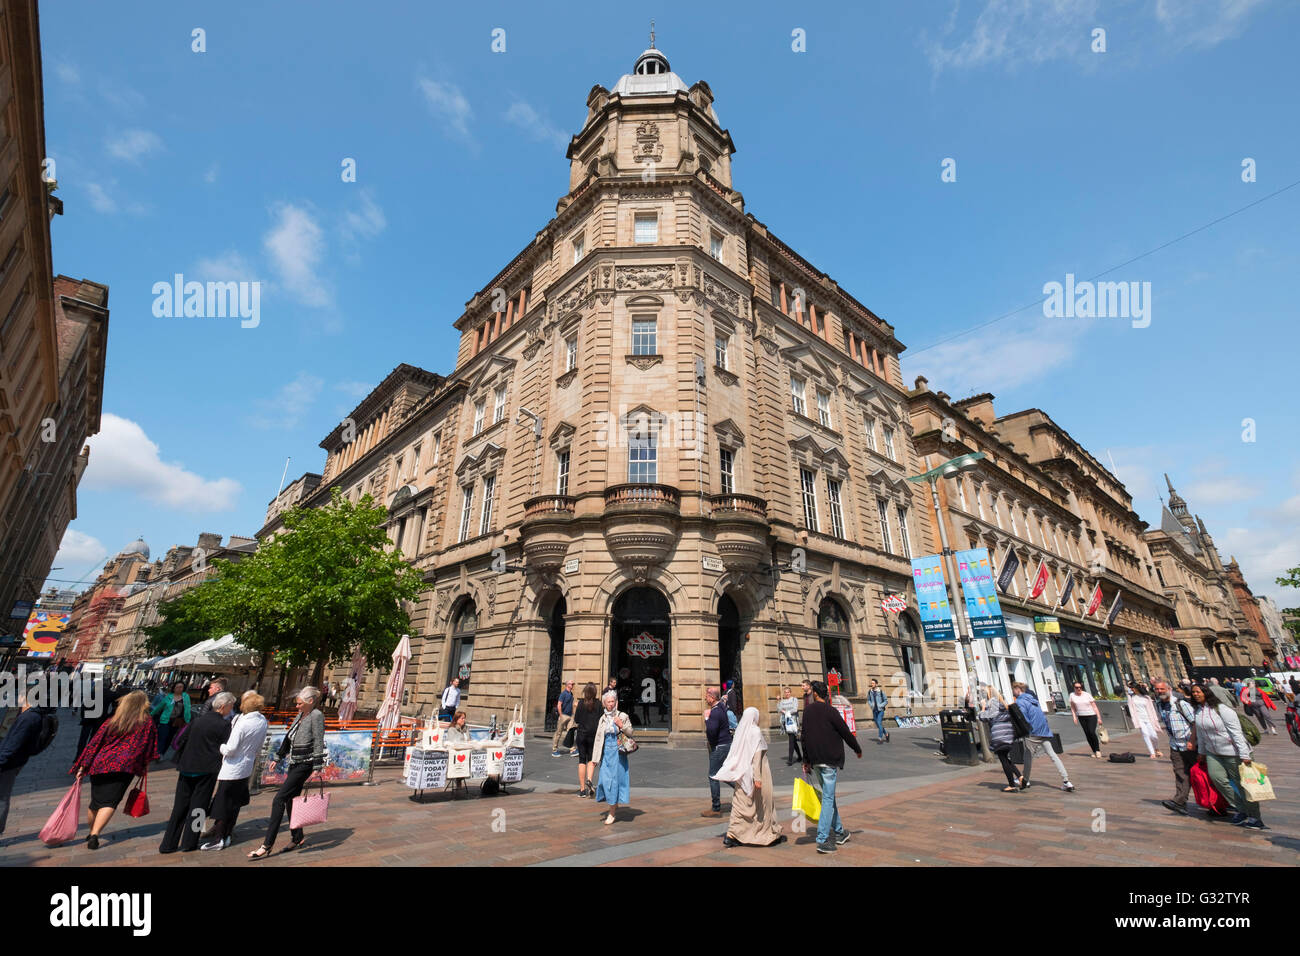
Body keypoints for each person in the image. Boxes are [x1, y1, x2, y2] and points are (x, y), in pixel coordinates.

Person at [70, 690, 159, 850]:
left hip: (101, 763)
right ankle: (95, 834)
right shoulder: (147, 722)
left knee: (95, 802)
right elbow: (150, 747)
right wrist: (145, 764)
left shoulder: (113, 720)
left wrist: (82, 765)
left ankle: (92, 831)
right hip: (125, 766)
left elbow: (94, 743)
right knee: (110, 801)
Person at [247, 686, 325, 858]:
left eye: (299, 703)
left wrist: (318, 767)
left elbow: (319, 741)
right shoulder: (301, 715)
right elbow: (289, 737)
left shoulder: (316, 716)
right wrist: (278, 757)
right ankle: (297, 837)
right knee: (291, 799)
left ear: (310, 701)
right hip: (294, 763)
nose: (296, 706)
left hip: (305, 764)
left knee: (279, 799)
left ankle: (267, 845)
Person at [160, 691, 233, 854]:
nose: (231, 709)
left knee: (179, 806)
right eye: (230, 706)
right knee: (199, 807)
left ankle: (168, 844)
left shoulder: (197, 721)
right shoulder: (224, 725)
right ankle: (189, 842)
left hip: (187, 766)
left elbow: (179, 740)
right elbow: (226, 747)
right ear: (223, 706)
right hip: (207, 769)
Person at [1188, 682, 1265, 830]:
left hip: (1233, 752)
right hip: (1213, 753)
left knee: (1245, 785)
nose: (1195, 694)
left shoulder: (1223, 710)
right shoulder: (1198, 711)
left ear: (1206, 693)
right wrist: (1202, 753)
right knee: (1217, 779)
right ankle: (1241, 809)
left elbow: (1236, 733)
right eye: (1193, 692)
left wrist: (1244, 754)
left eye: (1198, 692)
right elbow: (1203, 735)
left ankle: (1255, 817)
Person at [801, 681, 862, 853]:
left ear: (815, 694)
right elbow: (845, 731)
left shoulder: (807, 711)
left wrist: (806, 761)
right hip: (829, 760)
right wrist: (857, 749)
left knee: (828, 797)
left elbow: (803, 736)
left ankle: (840, 832)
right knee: (828, 798)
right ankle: (822, 839)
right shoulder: (831, 711)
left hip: (815, 760)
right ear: (825, 694)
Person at [203, 691, 268, 850]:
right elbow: (259, 745)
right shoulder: (262, 721)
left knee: (222, 803)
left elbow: (231, 748)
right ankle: (227, 835)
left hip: (233, 767)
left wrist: (220, 747)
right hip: (246, 765)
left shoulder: (243, 722)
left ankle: (218, 838)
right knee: (234, 804)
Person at [714, 707, 784, 847]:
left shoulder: (741, 732)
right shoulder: (755, 731)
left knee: (740, 805)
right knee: (763, 804)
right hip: (759, 772)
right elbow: (757, 757)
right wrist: (757, 778)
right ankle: (766, 834)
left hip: (742, 773)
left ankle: (732, 834)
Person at [0, 681, 45, 839]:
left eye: (20, 695)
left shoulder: (29, 718)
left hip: (8, 763)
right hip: (14, 761)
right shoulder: (29, 715)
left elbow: (13, 744)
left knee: (2, 797)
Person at [1011, 681, 1074, 792]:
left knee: (1028, 755)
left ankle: (1025, 780)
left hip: (1033, 732)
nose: (1012, 692)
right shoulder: (1033, 700)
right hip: (1043, 730)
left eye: (1013, 689)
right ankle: (1066, 781)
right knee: (1053, 755)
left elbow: (1023, 719)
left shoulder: (1020, 701)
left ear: (1017, 689)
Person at [1152, 680, 1197, 816]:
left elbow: (1195, 722)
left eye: (1162, 689)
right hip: (1175, 744)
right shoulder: (1160, 704)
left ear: (1169, 689)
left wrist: (1192, 740)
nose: (1159, 691)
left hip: (1190, 744)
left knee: (1201, 773)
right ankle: (1179, 802)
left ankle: (1221, 802)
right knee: (1180, 772)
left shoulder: (1180, 704)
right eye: (1157, 689)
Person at [591, 690, 632, 825]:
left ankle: (612, 812)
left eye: (612, 701)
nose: (610, 704)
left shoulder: (622, 715)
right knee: (603, 781)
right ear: (604, 703)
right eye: (608, 702)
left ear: (616, 702)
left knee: (614, 782)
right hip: (606, 754)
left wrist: (621, 725)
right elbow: (598, 739)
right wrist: (595, 758)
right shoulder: (602, 718)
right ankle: (613, 803)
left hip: (617, 753)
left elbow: (631, 732)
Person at [978, 686, 1021, 793]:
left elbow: (982, 717)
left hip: (999, 736)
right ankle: (1020, 777)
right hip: (1008, 734)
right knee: (1005, 758)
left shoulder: (992, 704)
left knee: (1004, 760)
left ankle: (1012, 785)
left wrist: (983, 707)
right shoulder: (1002, 704)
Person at [701, 685, 733, 818]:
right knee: (723, 773)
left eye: (707, 696)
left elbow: (712, 732)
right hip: (726, 744)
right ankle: (745, 790)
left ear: (712, 697)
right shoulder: (721, 708)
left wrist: (706, 718)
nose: (705, 698)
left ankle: (716, 808)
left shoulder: (714, 712)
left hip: (719, 746)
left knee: (713, 775)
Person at [150, 680, 191, 759]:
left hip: (177, 722)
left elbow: (188, 708)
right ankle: (158, 753)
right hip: (165, 720)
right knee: (162, 737)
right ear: (174, 688)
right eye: (177, 687)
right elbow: (159, 707)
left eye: (181, 687)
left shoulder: (186, 696)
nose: (179, 688)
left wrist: (187, 720)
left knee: (169, 738)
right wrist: (151, 714)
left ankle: (162, 753)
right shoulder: (168, 697)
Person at [573, 683, 602, 797]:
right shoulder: (599, 704)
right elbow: (601, 720)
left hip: (581, 735)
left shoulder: (581, 703)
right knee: (591, 759)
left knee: (581, 760)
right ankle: (589, 780)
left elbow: (577, 720)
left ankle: (582, 790)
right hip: (593, 736)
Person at [1126, 681, 1163, 758]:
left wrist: (1155, 718)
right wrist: (1134, 719)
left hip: (1149, 718)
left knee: (1154, 735)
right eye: (1130, 688)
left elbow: (1152, 709)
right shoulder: (1131, 697)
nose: (1131, 689)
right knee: (1145, 734)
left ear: (1137, 688)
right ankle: (1152, 752)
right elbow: (1131, 709)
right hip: (1139, 718)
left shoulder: (1146, 697)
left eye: (1132, 688)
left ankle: (1156, 749)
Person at [1068, 681, 1103, 759]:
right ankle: (1094, 751)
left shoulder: (1087, 695)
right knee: (1087, 734)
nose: (1079, 689)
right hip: (1081, 716)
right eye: (1077, 687)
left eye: (1080, 687)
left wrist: (1099, 718)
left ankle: (1097, 750)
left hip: (1091, 715)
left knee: (1091, 732)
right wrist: (1074, 717)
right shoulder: (1072, 695)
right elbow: (1073, 707)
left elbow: (1094, 707)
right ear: (1074, 688)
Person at [445, 711, 471, 796]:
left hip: (465, 752)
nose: (464, 720)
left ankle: (460, 779)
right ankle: (458, 780)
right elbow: (453, 742)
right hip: (455, 753)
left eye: (464, 718)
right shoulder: (452, 729)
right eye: (462, 718)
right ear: (456, 719)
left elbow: (469, 739)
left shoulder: (466, 728)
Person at [551, 679, 577, 757]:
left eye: (573, 684)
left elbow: (572, 704)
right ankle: (554, 750)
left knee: (570, 732)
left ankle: (572, 749)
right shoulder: (563, 694)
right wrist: (561, 715)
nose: (572, 685)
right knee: (558, 733)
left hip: (570, 716)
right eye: (571, 684)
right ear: (567, 685)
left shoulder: (571, 694)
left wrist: (573, 714)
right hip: (564, 715)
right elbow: (559, 705)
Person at [778, 687, 802, 765]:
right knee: (793, 741)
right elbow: (779, 709)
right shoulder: (782, 701)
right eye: (785, 692)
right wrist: (778, 701)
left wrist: (785, 712)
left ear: (790, 692)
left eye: (788, 692)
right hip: (786, 722)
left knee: (791, 740)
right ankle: (799, 756)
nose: (787, 693)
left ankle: (790, 760)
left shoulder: (794, 699)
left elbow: (795, 709)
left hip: (793, 722)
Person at [867, 678, 890, 744]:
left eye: (873, 683)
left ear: (876, 684)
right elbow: (868, 699)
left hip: (880, 710)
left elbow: (886, 700)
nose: (872, 684)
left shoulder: (881, 691)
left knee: (879, 723)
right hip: (874, 710)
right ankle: (886, 734)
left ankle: (880, 738)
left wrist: (881, 705)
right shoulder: (870, 692)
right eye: (871, 683)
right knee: (878, 724)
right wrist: (871, 705)